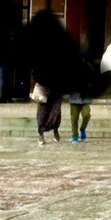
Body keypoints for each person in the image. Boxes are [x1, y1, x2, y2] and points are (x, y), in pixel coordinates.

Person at [25, 11, 74, 145]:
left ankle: (55, 129)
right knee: (43, 110)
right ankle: (40, 133)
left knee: (56, 110)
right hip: (44, 82)